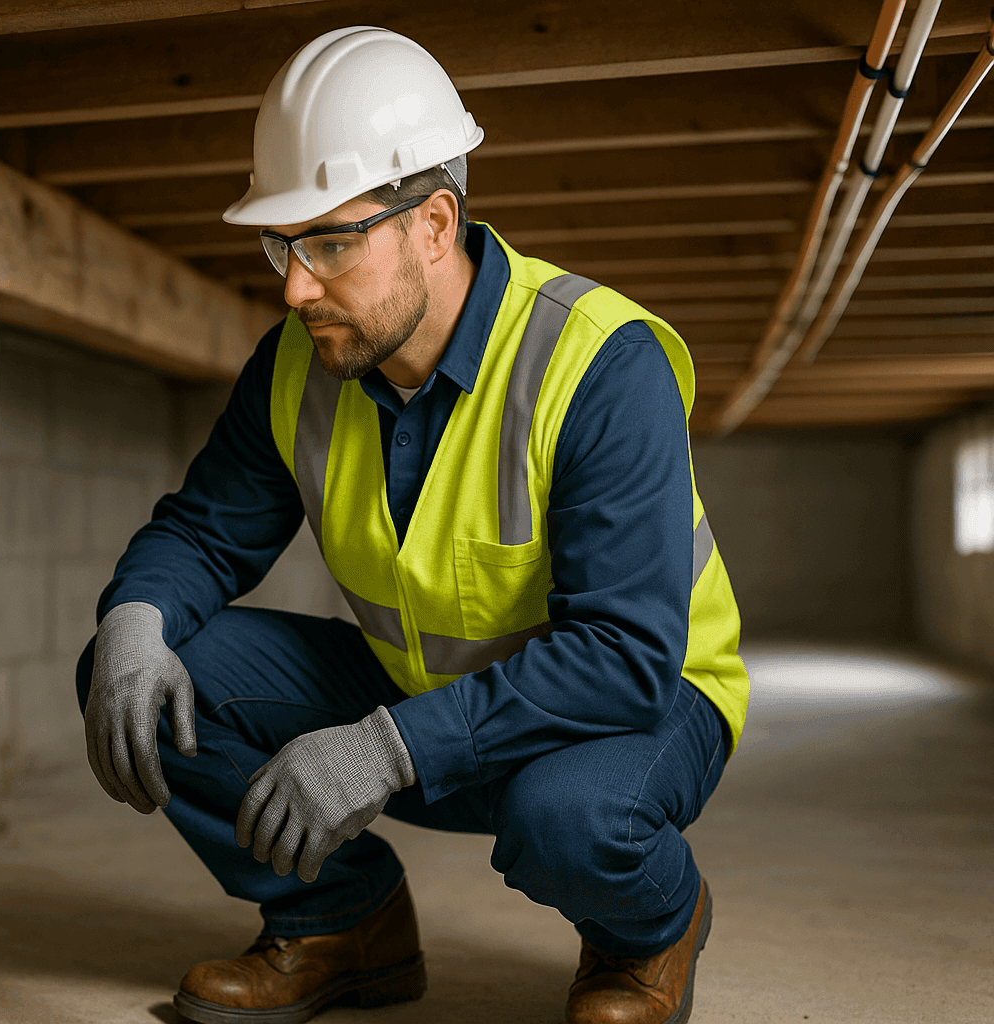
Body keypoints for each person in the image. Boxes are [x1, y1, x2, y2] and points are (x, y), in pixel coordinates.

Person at [76, 25, 749, 1024]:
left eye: (331, 242)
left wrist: (384, 749)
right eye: (282, 245)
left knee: (565, 817)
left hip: (637, 705)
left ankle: (649, 931)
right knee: (142, 666)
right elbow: (204, 534)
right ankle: (344, 923)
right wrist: (135, 620)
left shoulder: (598, 363)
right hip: (428, 701)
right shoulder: (299, 365)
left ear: (435, 224)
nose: (295, 285)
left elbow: (623, 654)